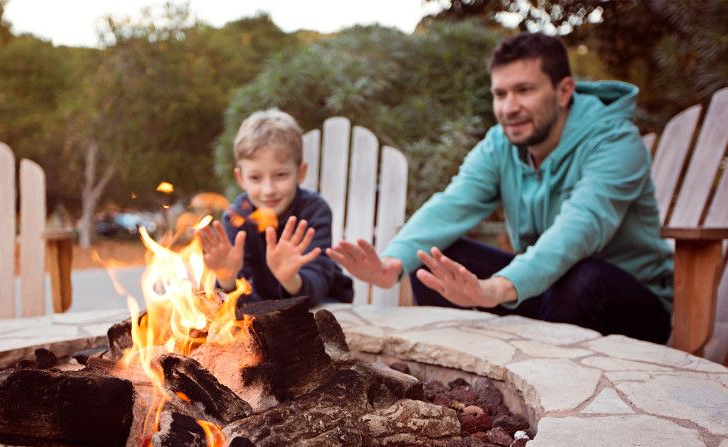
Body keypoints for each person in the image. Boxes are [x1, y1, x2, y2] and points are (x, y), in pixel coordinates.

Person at [327, 32, 673, 343]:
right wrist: (391, 264)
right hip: (546, 292)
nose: (509, 108)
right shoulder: (500, 145)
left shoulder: (616, 142)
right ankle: (460, 380)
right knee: (432, 260)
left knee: (582, 278)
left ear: (564, 91)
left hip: (629, 304)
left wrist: (496, 288)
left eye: (524, 90)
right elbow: (453, 204)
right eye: (500, 94)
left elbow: (580, 228)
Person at [199, 109, 354, 306]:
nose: (268, 190)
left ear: (300, 172)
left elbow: (319, 282)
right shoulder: (237, 217)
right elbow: (234, 301)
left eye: (280, 175)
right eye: (255, 177)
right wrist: (226, 277)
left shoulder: (315, 211)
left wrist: (290, 278)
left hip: (321, 307)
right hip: (265, 311)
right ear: (240, 178)